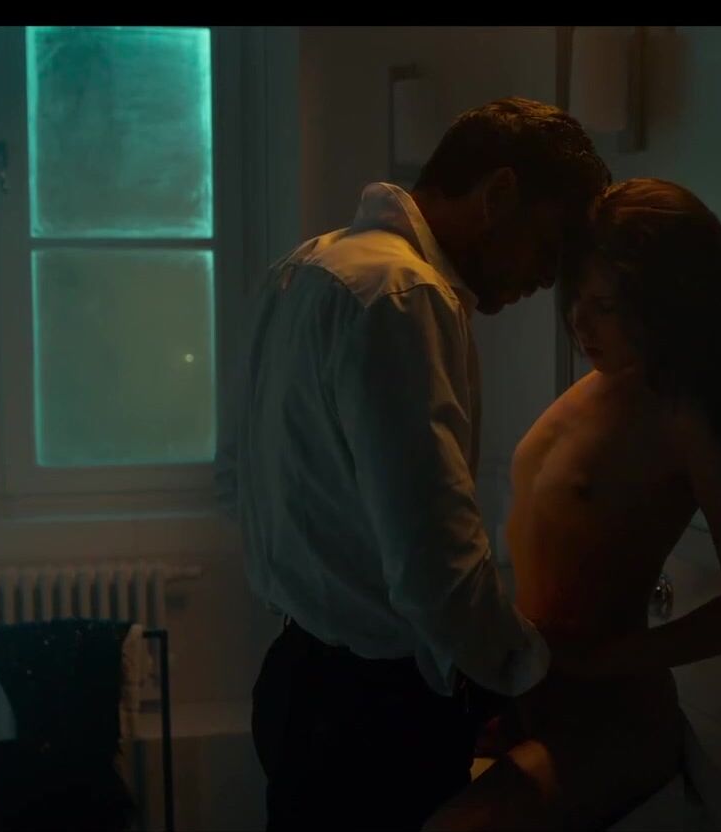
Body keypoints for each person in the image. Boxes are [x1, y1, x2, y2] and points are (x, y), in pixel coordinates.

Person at [215, 97, 611, 831]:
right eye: (550, 244)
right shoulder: (405, 297)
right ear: (499, 195)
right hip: (371, 717)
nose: (549, 277)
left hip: (297, 682)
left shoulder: (305, 267)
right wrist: (526, 674)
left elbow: (234, 474)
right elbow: (436, 562)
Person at [426, 178, 721, 831]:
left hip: (611, 715)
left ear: (664, 305)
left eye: (605, 306)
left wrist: (600, 660)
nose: (579, 322)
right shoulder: (594, 388)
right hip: (529, 697)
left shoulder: (688, 414)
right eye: (576, 299)